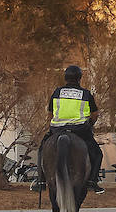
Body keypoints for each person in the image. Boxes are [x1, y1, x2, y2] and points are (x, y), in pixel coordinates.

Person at [32, 64, 104, 193]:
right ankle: (92, 181)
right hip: (80, 130)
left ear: (65, 78)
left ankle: (41, 181)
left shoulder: (57, 92)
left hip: (57, 129)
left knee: (42, 149)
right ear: (79, 78)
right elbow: (95, 114)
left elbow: (50, 113)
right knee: (97, 154)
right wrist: (90, 125)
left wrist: (52, 124)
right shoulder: (86, 94)